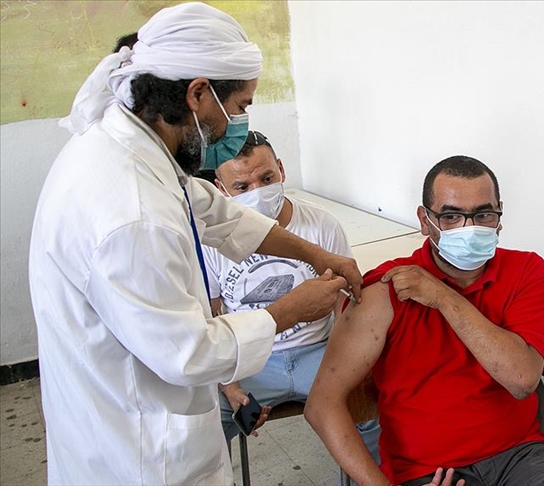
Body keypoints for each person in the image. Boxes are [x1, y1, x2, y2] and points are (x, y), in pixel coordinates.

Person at [28, 3, 362, 485]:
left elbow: (219, 213)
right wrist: (289, 309)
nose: (240, 122)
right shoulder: (132, 212)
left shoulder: (136, 146)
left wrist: (318, 255)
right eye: (240, 106)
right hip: (140, 449)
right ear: (199, 94)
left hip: (145, 415)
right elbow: (189, 353)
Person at [305, 156, 544, 486]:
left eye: (483, 215)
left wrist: (443, 297)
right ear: (425, 220)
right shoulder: (386, 290)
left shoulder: (526, 271)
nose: (469, 229)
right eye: (452, 216)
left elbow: (522, 379)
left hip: (521, 457)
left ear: (499, 215)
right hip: (425, 472)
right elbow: (322, 404)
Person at [205, 130, 381, 461]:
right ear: (220, 189)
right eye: (242, 187)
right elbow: (210, 315)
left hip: (319, 353)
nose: (257, 193)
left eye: (266, 178)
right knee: (202, 422)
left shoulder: (322, 225)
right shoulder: (210, 242)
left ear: (281, 170)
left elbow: (347, 303)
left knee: (367, 409)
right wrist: (228, 384)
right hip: (250, 360)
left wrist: (347, 362)